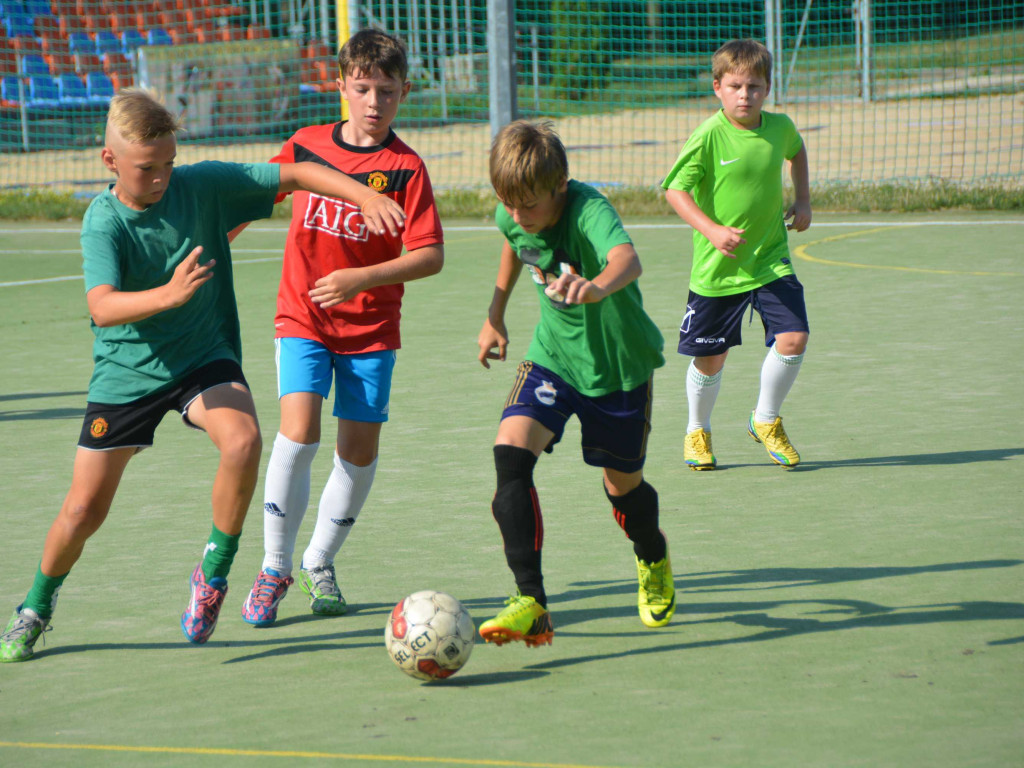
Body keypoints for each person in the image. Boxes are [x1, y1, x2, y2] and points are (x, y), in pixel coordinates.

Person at [0, 88, 407, 662]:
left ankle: (212, 575)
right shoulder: (103, 221)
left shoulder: (204, 184)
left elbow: (298, 174)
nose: (162, 176)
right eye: (148, 168)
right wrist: (166, 295)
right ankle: (35, 608)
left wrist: (363, 195)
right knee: (83, 510)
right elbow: (102, 306)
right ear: (110, 161)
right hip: (126, 372)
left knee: (244, 439)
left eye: (169, 162)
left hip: (202, 359)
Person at [239, 29, 443, 627]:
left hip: (372, 329)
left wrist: (363, 278)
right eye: (363, 89)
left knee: (357, 452)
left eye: (386, 91)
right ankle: (274, 566)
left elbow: (429, 255)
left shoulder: (405, 168)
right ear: (340, 86)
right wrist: (210, 242)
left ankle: (318, 561)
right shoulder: (304, 146)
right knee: (298, 434)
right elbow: (254, 200)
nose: (374, 103)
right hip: (302, 318)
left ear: (404, 92)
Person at [475, 120, 674, 647]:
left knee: (622, 489)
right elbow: (513, 242)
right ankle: (531, 602)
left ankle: (652, 553)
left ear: (560, 186)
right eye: (508, 203)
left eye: (530, 205)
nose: (518, 216)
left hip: (617, 368)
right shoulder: (514, 209)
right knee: (510, 454)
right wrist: (495, 313)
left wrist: (595, 288)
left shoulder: (588, 208)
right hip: (553, 359)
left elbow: (627, 259)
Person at [662, 38, 812, 471]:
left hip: (769, 259)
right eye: (735, 86)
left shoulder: (780, 128)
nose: (744, 95)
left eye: (754, 86)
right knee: (711, 358)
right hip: (718, 270)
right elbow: (675, 190)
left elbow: (797, 151)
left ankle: (764, 420)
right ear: (718, 88)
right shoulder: (708, 135)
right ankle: (697, 431)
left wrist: (803, 200)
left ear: (767, 88)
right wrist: (711, 231)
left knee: (794, 337)